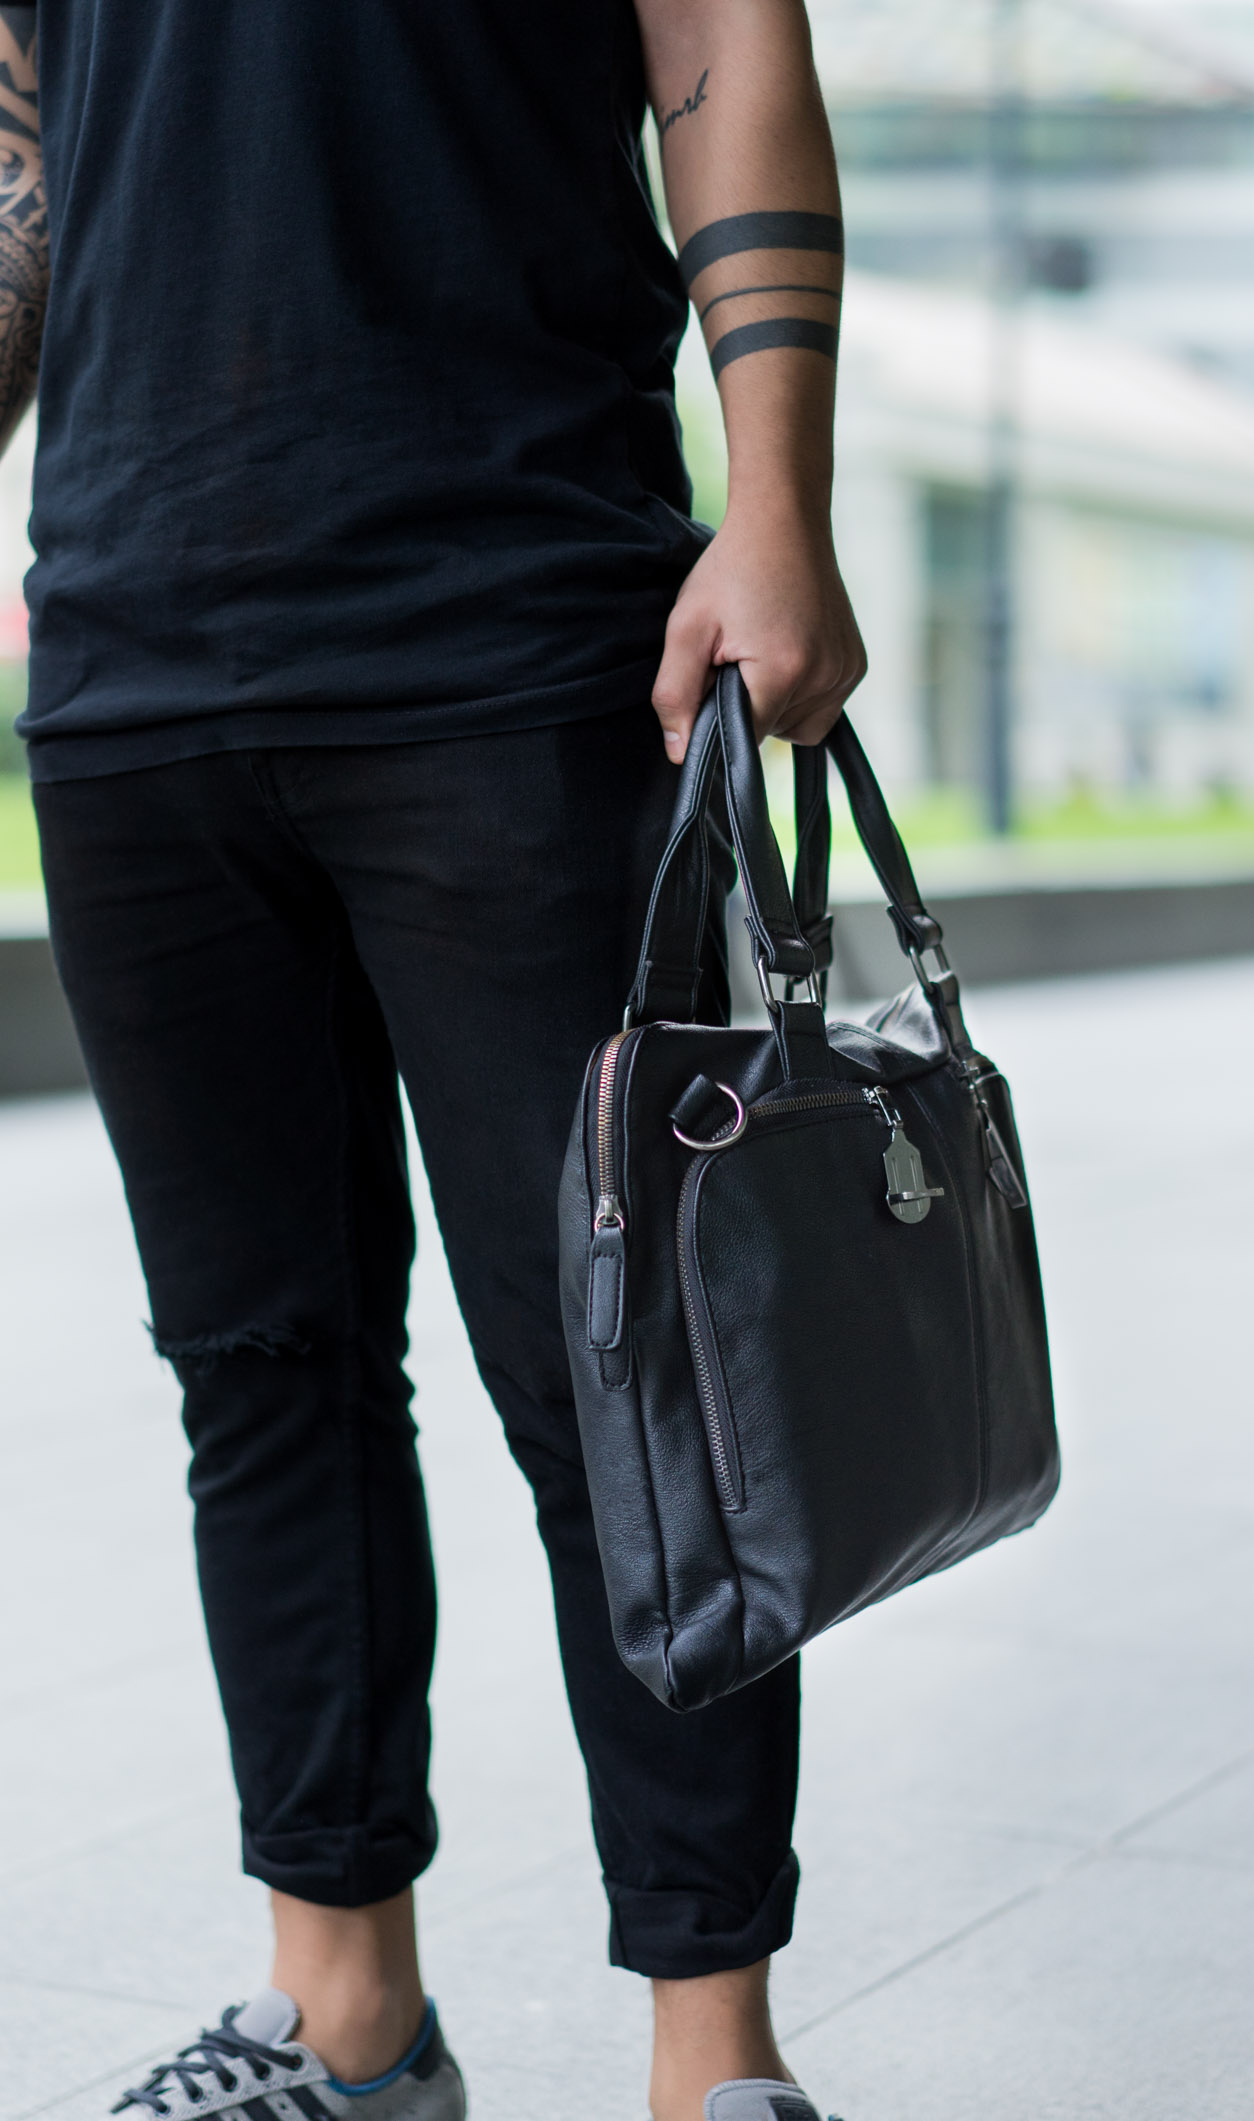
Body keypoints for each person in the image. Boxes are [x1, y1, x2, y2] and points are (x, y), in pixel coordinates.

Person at [0, 0, 864, 2114]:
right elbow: (28, 167)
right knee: (261, 1366)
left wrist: (777, 499)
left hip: (512, 630)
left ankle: (713, 2058)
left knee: (624, 1379)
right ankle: (346, 2012)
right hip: (129, 661)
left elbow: (723, 49)